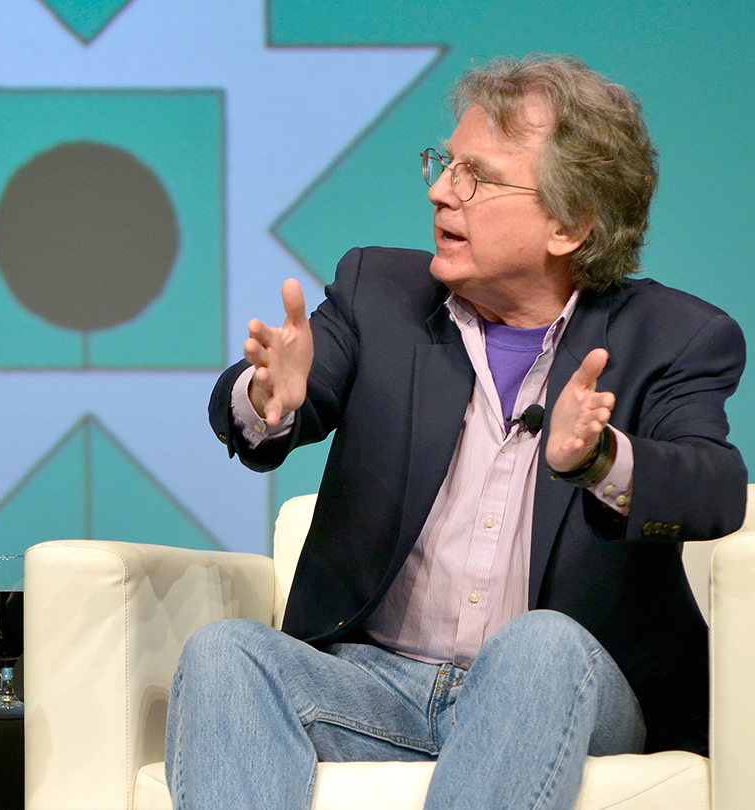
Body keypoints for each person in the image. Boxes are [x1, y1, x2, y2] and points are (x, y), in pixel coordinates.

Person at [167, 54, 747, 809]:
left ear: (570, 224)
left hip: (563, 690)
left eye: (477, 176)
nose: (441, 190)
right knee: (227, 654)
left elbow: (715, 489)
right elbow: (273, 402)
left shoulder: (674, 334)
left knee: (539, 645)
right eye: (444, 163)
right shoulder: (380, 293)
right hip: (376, 685)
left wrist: (602, 459)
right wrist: (266, 395)